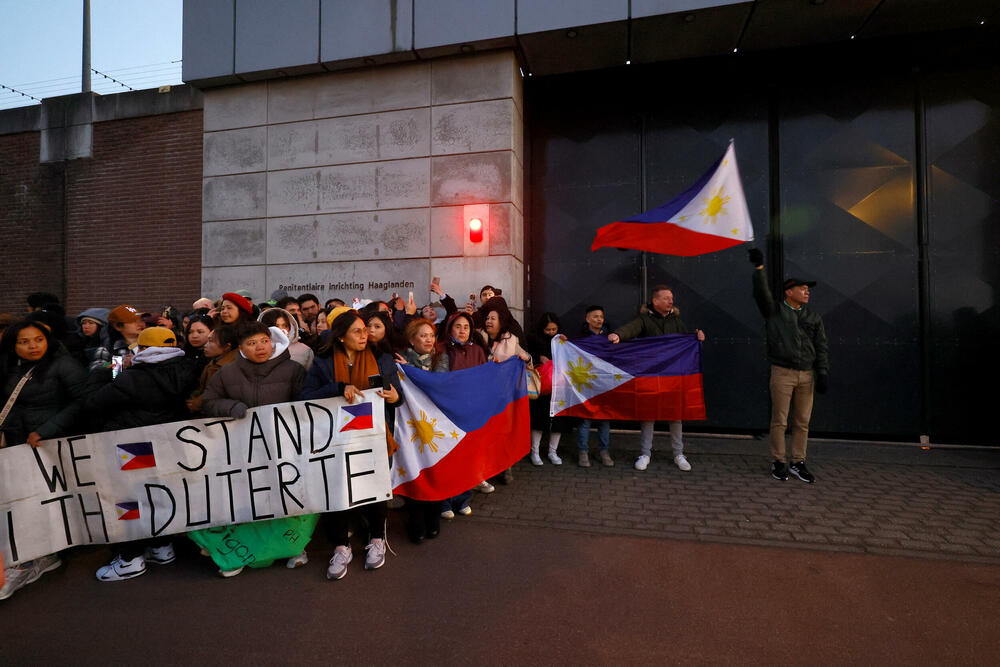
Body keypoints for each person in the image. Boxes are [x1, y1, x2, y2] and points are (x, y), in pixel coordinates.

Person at [85, 326, 200, 582]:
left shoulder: (132, 377)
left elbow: (93, 401)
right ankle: (162, 546)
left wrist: (110, 367)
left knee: (130, 499)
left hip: (132, 449)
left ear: (143, 349)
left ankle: (130, 557)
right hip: (169, 446)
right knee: (160, 494)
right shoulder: (189, 369)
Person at [200, 322, 310, 575]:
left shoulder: (294, 370)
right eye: (251, 343)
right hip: (243, 451)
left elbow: (305, 404)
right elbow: (209, 401)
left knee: (287, 496)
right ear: (241, 348)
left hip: (284, 447)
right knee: (248, 500)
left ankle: (294, 546)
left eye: (264, 340)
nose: (260, 347)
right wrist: (231, 407)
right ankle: (242, 551)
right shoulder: (227, 374)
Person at [302, 311, 402, 580]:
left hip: (374, 435)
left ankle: (377, 539)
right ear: (341, 335)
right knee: (337, 489)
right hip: (335, 439)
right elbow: (306, 396)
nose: (364, 335)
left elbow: (397, 396)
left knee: (375, 487)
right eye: (357, 331)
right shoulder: (323, 362)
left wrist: (394, 396)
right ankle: (340, 546)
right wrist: (337, 388)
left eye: (365, 330)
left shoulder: (382, 358)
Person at [0, 320, 87, 599]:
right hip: (18, 444)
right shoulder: (9, 367)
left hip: (50, 443)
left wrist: (47, 430)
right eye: (24, 341)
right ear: (12, 345)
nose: (32, 346)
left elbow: (83, 401)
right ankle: (39, 553)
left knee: (51, 498)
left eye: (38, 339)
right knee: (25, 500)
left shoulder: (64, 365)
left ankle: (44, 554)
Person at [749, 248, 828, 483]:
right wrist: (759, 269)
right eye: (802, 289)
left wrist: (822, 372)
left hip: (807, 376)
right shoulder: (775, 313)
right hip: (782, 373)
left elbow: (822, 346)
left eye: (808, 290)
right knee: (780, 420)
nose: (806, 293)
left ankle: (798, 462)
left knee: (802, 422)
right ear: (788, 292)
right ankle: (778, 461)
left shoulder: (813, 317)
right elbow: (761, 294)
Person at [610, 286, 705, 472]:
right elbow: (631, 328)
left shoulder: (676, 321)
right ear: (655, 301)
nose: (671, 301)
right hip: (651, 377)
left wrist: (697, 338)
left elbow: (686, 342)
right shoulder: (644, 320)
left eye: (672, 298)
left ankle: (678, 454)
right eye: (666, 298)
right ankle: (645, 454)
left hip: (672, 377)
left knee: (675, 415)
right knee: (648, 415)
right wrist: (618, 335)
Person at [395, 320, 448, 542]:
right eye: (423, 335)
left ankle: (433, 517)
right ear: (411, 340)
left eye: (431, 335)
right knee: (414, 468)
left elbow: (440, 384)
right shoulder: (399, 361)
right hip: (410, 426)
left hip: (435, 425)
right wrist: (406, 369)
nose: (429, 339)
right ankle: (415, 519)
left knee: (434, 469)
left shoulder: (441, 359)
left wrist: (412, 371)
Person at [436, 311, 490, 517]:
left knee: (468, 457)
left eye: (466, 327)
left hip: (471, 411)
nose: (462, 331)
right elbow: (437, 380)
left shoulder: (477, 350)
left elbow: (485, 377)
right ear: (450, 328)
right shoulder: (441, 349)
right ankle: (444, 501)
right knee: (448, 457)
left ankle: (463, 498)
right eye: (458, 326)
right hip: (447, 411)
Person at [479, 296, 531, 484]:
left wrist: (524, 359)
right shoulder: (478, 338)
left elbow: (527, 359)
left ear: (501, 320)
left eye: (493, 318)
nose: (489, 321)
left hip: (505, 396)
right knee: (486, 434)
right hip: (483, 396)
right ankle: (487, 468)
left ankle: (506, 467)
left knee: (503, 433)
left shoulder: (511, 339)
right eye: (487, 318)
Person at [526, 312, 569, 466]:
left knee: (558, 420)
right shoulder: (532, 339)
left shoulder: (562, 340)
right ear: (541, 329)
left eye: (554, 329)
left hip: (559, 386)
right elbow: (526, 356)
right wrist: (538, 358)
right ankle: (535, 451)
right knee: (538, 419)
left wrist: (566, 343)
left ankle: (553, 451)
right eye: (548, 330)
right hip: (540, 386)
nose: (551, 333)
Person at [576, 305, 614, 467]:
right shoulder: (580, 337)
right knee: (585, 420)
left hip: (605, 383)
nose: (599, 319)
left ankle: (604, 451)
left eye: (601, 317)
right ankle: (583, 452)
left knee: (604, 420)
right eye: (596, 316)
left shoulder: (611, 337)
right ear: (588, 319)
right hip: (587, 383)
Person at [186, 325, 238, 415]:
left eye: (211, 341)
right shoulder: (214, 362)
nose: (205, 346)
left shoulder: (231, 368)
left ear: (226, 346)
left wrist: (197, 403)